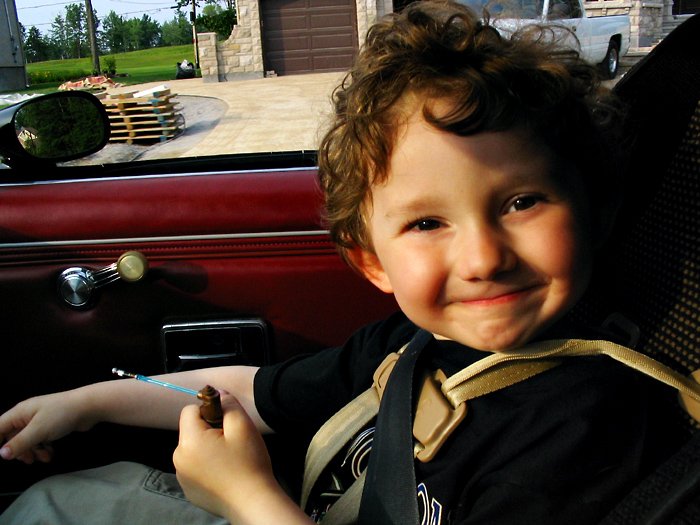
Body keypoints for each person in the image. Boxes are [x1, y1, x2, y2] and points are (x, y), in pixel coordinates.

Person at [0, 2, 686, 524]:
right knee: (52, 502)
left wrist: (247, 498)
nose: (482, 257)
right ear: (373, 263)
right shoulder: (411, 346)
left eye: (522, 202)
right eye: (427, 222)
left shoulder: (588, 432)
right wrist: (83, 403)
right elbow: (253, 391)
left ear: (591, 209)